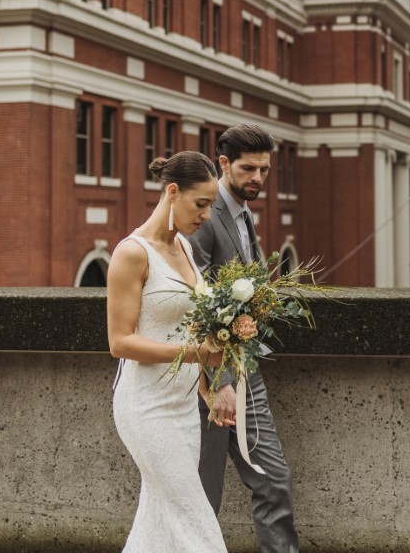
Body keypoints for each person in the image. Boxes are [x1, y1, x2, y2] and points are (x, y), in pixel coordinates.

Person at [107, 151, 229, 552]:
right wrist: (198, 354)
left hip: (182, 408)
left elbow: (193, 326)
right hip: (146, 407)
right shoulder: (131, 253)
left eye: (211, 205)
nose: (207, 215)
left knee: (158, 522)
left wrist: (209, 386)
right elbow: (120, 342)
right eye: (201, 204)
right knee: (194, 519)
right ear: (172, 192)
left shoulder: (186, 249)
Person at [190, 124, 299, 553]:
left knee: (274, 482)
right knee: (204, 493)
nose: (257, 178)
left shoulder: (242, 210)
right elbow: (192, 304)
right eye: (248, 168)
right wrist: (218, 383)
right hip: (210, 380)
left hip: (245, 369)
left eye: (264, 170)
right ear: (223, 164)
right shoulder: (203, 216)